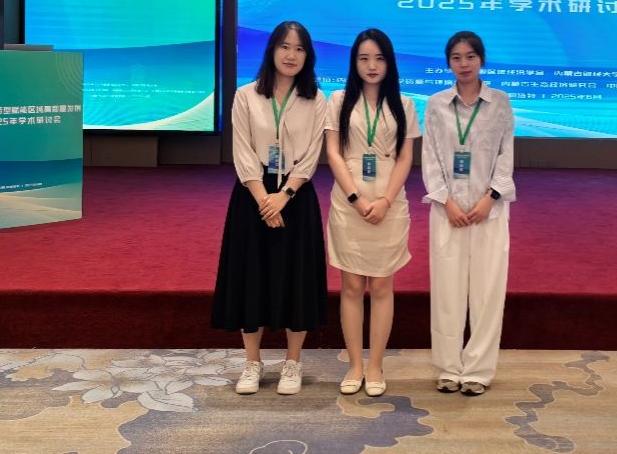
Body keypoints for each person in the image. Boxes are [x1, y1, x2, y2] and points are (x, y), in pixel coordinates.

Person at [212, 20, 328, 396]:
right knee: (252, 277)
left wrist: (285, 196)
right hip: (253, 196)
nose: (291, 55)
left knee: (297, 279)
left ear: (308, 56)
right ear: (271, 51)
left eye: (299, 48)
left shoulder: (316, 99)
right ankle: (253, 362)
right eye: (284, 47)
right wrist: (265, 199)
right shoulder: (246, 95)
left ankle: (293, 363)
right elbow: (243, 150)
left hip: (296, 196)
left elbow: (311, 154)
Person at [324, 29, 420, 398]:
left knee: (381, 286)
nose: (372, 65)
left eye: (379, 58)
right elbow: (333, 152)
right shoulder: (338, 99)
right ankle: (354, 365)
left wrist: (385, 201)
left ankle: (376, 365)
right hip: (349, 204)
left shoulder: (405, 104)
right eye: (364, 58)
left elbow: (406, 158)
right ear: (354, 62)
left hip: (389, 204)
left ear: (389, 62)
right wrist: (356, 198)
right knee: (351, 287)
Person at [421, 30, 515, 396]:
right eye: (457, 57)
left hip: (489, 211)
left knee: (488, 292)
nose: (464, 64)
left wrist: (490, 198)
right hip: (447, 211)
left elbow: (506, 156)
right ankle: (448, 367)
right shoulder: (436, 104)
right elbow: (430, 158)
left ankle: (477, 370)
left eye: (470, 56)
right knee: (447, 291)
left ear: (481, 60)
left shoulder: (500, 102)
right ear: (448, 62)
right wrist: (446, 201)